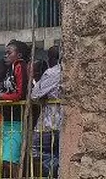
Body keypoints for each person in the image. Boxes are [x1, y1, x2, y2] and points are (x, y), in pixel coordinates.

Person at [0, 40, 30, 177]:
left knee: (10, 160)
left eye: (9, 53)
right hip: (7, 120)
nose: (6, 56)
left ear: (19, 55)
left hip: (16, 121)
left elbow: (20, 94)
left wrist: (2, 96)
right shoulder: (9, 69)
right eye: (5, 53)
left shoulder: (20, 66)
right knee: (6, 161)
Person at [31, 45, 62, 178]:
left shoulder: (52, 72)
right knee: (58, 155)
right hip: (62, 123)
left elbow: (34, 95)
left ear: (52, 58)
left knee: (38, 151)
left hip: (49, 124)